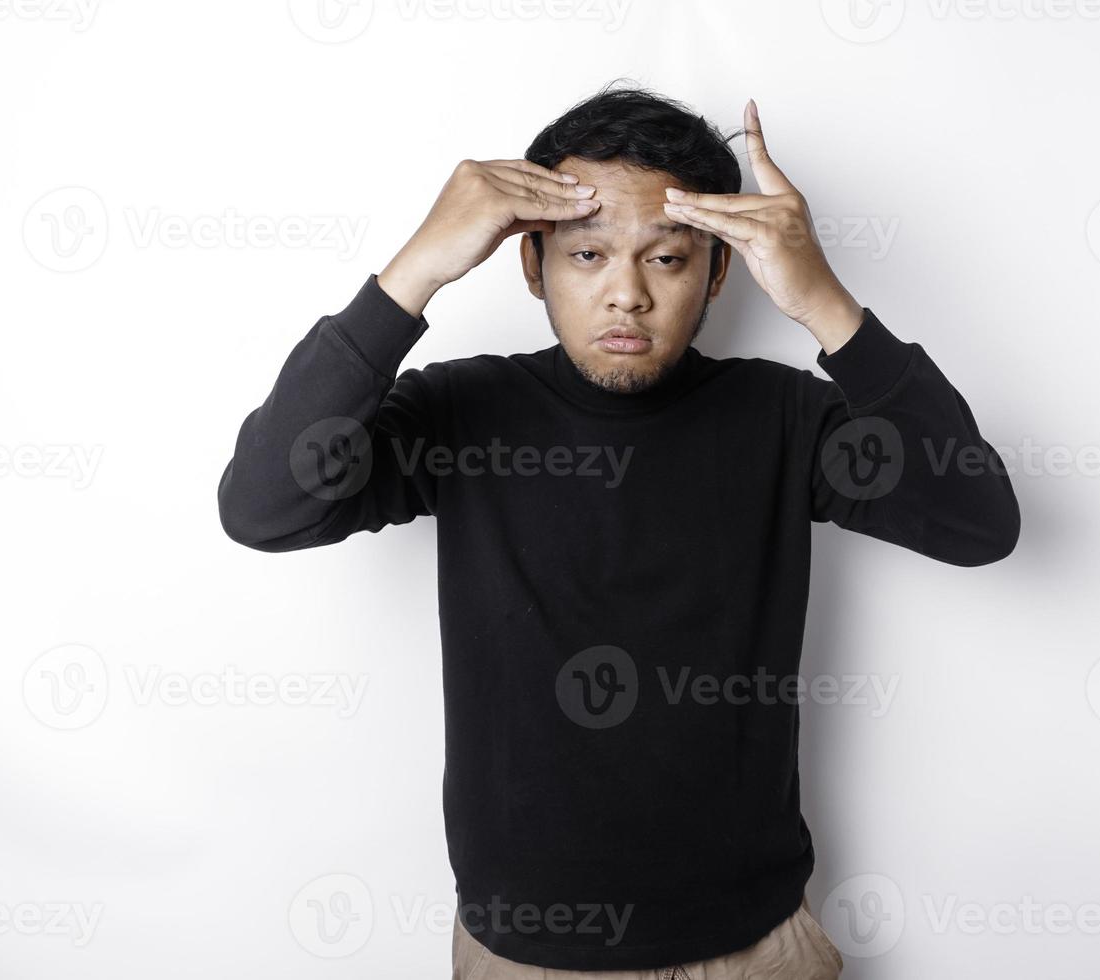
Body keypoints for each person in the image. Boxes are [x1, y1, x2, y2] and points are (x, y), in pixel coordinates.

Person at [216, 81, 1020, 978]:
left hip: (754, 948)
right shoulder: (461, 410)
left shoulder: (783, 417)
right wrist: (415, 271)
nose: (625, 296)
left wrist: (825, 301)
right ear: (532, 266)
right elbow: (262, 507)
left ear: (720, 271)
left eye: (667, 260)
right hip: (526, 952)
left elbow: (979, 522)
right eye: (587, 253)